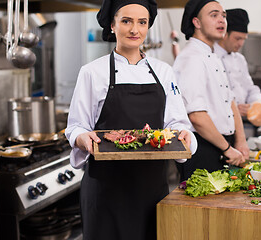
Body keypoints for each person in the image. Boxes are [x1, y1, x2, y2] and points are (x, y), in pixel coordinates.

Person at [65, 0, 197, 239]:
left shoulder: (163, 71)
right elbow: (75, 126)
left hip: (150, 188)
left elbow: (176, 123)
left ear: (147, 27)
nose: (134, 29)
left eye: (142, 22)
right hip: (106, 187)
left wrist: (183, 134)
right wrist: (82, 137)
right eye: (126, 21)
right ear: (113, 26)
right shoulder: (92, 71)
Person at [173, 0, 249, 181]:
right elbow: (197, 116)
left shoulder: (212, 55)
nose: (222, 20)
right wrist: (227, 148)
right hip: (203, 149)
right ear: (196, 23)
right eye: (214, 15)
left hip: (221, 146)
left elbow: (230, 101)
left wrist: (240, 140)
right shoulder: (191, 58)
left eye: (223, 16)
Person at [214, 8, 261, 118]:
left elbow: (250, 88)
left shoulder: (240, 59)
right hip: (221, 121)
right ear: (224, 34)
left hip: (241, 120)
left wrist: (258, 102)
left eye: (244, 39)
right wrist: (231, 109)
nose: (241, 43)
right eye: (237, 38)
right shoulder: (211, 56)